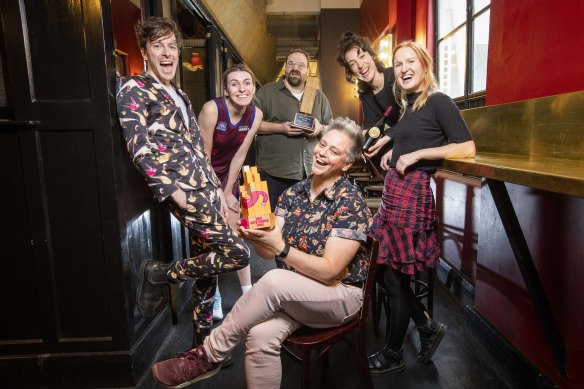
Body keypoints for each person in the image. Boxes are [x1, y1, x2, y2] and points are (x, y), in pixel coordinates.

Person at [150, 117, 373, 389]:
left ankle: (210, 354)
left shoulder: (350, 202)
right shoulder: (293, 194)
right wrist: (255, 236)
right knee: (259, 333)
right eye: (322, 144)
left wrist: (279, 247)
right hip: (297, 295)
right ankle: (212, 355)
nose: (323, 152)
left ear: (347, 163)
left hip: (340, 296)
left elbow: (329, 270)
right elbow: (267, 252)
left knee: (273, 280)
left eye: (334, 151)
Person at [116, 17, 250, 347]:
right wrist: (170, 190)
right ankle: (160, 274)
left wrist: (218, 189)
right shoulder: (134, 88)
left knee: (209, 270)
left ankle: (202, 345)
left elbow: (196, 147)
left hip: (206, 188)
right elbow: (138, 145)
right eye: (158, 45)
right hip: (182, 190)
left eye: (172, 46)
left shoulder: (178, 93)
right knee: (239, 253)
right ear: (144, 51)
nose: (167, 53)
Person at [363, 40, 476, 374]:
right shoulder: (412, 104)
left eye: (410, 62)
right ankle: (426, 327)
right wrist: (393, 146)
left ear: (425, 65)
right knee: (383, 273)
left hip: (412, 196)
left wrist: (416, 155)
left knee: (397, 278)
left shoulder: (439, 101)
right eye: (398, 64)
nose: (404, 69)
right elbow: (413, 130)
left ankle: (394, 352)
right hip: (393, 193)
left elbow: (467, 147)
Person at [198, 64, 263, 320]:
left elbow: (239, 156)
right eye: (234, 84)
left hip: (229, 176)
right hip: (203, 175)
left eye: (247, 83)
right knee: (210, 237)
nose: (241, 88)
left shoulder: (256, 114)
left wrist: (228, 192)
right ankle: (214, 295)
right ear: (225, 90)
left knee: (236, 231)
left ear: (253, 88)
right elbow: (202, 157)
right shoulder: (212, 109)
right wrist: (216, 194)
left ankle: (247, 293)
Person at [254, 48, 333, 211]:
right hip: (274, 175)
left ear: (307, 70)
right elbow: (251, 125)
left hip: (310, 176)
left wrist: (320, 128)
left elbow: (331, 129)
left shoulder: (318, 96)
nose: (295, 68)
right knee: (273, 227)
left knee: (307, 229)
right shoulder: (267, 92)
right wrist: (280, 128)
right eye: (291, 63)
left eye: (301, 65)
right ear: (285, 67)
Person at [336, 32, 401, 161]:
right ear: (351, 71)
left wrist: (387, 138)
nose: (360, 65)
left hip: (416, 140)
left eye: (362, 56)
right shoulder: (365, 93)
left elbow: (413, 117)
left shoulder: (395, 77)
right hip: (395, 146)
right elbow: (370, 126)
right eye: (353, 64)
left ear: (372, 55)